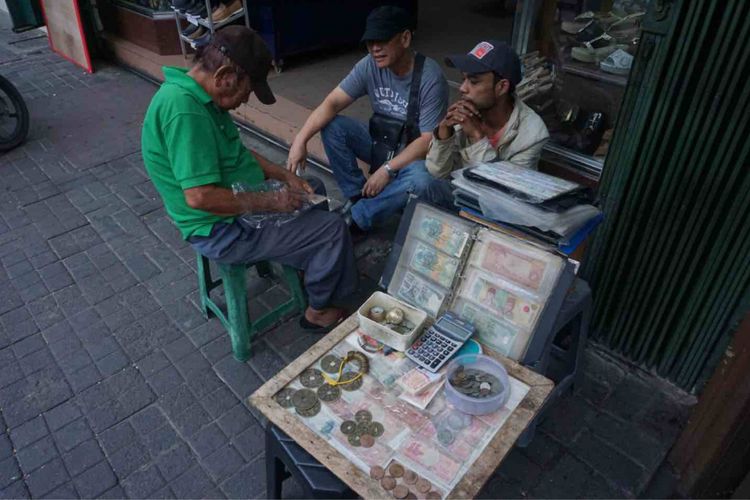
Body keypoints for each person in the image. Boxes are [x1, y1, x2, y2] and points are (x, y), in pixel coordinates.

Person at [141, 26, 357, 332]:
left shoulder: (197, 96)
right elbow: (200, 197)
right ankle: (319, 312)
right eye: (248, 90)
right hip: (221, 229)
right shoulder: (185, 112)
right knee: (333, 229)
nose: (246, 100)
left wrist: (284, 175)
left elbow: (235, 153)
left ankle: (316, 267)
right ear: (225, 76)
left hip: (229, 209)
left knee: (314, 189)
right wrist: (271, 200)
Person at [286, 6, 449, 233]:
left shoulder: (430, 77)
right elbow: (332, 103)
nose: (374, 48)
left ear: (405, 38)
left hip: (414, 155)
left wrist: (387, 169)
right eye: (370, 42)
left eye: (382, 40)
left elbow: (427, 140)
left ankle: (357, 218)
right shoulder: (369, 65)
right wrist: (300, 140)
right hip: (382, 143)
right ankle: (357, 196)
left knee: (422, 182)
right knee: (333, 126)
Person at [423, 40, 550, 210]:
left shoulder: (533, 133)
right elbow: (437, 173)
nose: (462, 88)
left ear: (501, 87)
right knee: (419, 176)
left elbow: (505, 194)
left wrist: (477, 138)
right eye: (463, 79)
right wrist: (444, 133)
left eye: (474, 82)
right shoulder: (467, 112)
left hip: (497, 212)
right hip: (458, 195)